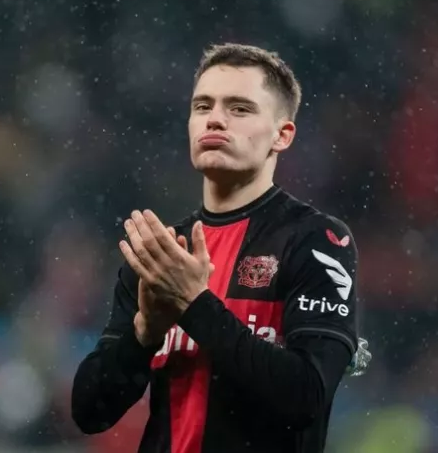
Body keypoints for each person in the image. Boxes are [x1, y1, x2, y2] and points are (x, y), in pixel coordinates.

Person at [71, 43, 369, 453]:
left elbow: (307, 395)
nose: (214, 118)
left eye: (239, 108)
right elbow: (90, 412)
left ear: (282, 135)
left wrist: (195, 306)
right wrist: (144, 335)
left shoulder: (317, 240)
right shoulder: (162, 255)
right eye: (202, 106)